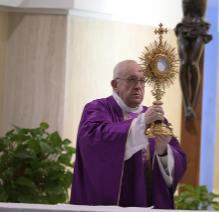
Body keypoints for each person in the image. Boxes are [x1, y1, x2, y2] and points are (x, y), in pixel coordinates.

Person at [70, 60, 187, 209]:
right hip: (107, 206)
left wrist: (163, 151)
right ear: (115, 85)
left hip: (146, 204)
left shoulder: (156, 119)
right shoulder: (97, 109)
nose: (138, 86)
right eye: (131, 80)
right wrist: (141, 122)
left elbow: (179, 160)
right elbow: (95, 143)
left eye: (142, 81)